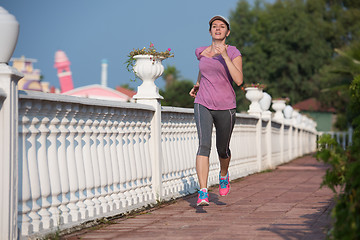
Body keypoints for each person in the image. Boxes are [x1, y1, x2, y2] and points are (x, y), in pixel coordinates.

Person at [189, 15, 243, 206]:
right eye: (214, 26)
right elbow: (204, 69)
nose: (217, 28)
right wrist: (197, 84)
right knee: (204, 145)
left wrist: (225, 56)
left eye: (222, 26)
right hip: (202, 102)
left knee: (223, 149)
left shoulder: (234, 52)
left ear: (227, 32)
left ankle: (223, 174)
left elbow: (239, 80)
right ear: (210, 31)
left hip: (226, 106)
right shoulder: (201, 52)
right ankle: (203, 191)